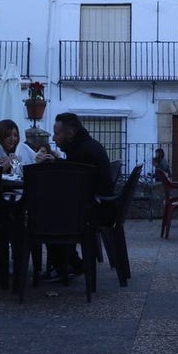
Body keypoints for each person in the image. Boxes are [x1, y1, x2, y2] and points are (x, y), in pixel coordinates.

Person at [35, 112, 114, 280]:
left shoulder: (83, 151)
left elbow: (72, 182)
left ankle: (69, 265)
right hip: (99, 206)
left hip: (93, 211)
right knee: (54, 212)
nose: (54, 139)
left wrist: (55, 164)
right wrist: (58, 162)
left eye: (57, 134)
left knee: (47, 218)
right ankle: (70, 264)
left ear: (70, 134)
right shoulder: (86, 146)